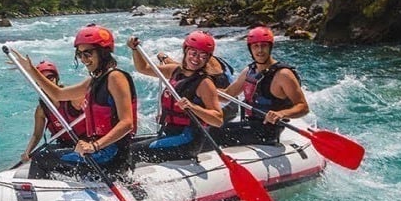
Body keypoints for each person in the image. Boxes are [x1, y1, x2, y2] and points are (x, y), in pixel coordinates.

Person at [12, 24, 137, 179]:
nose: (84, 59)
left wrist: (94, 146)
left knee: (42, 158)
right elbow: (58, 94)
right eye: (80, 55)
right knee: (48, 154)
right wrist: (32, 70)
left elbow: (127, 123)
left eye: (88, 53)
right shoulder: (93, 81)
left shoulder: (115, 78)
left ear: (103, 52)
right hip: (100, 152)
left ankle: (32, 199)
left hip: (111, 156)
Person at [127, 31, 223, 163]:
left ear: (208, 58)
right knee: (125, 146)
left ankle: (128, 182)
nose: (196, 59)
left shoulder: (205, 83)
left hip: (187, 140)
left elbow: (218, 119)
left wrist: (193, 107)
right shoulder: (175, 70)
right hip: (170, 132)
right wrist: (135, 49)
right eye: (193, 53)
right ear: (186, 51)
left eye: (203, 55)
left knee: (133, 151)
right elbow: (143, 68)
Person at [211, 26, 309, 146]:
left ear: (270, 47)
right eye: (255, 46)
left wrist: (282, 114)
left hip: (269, 130)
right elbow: (227, 95)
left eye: (264, 45)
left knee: (215, 132)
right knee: (211, 126)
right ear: (250, 49)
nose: (260, 50)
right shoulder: (249, 71)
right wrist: (203, 90)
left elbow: (303, 107)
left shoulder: (283, 74)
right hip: (250, 123)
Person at [155, 34, 238, 121]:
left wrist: (165, 58)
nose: (196, 57)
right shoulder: (214, 60)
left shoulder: (206, 69)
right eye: (193, 52)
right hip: (232, 105)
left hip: (226, 109)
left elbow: (184, 69)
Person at [19, 60, 86, 163]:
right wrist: (27, 151)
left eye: (50, 77)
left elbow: (89, 95)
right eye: (43, 79)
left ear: (57, 78)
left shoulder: (71, 98)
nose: (47, 82)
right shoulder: (42, 109)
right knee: (40, 156)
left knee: (43, 157)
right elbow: (37, 135)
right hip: (64, 144)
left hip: (83, 143)